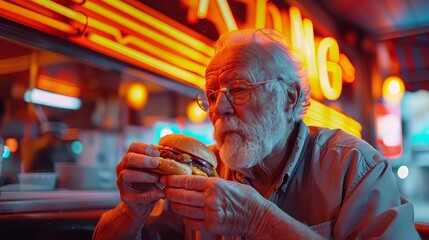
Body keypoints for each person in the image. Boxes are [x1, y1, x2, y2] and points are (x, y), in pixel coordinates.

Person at [93, 29, 420, 239]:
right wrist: (131, 211)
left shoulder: (353, 165)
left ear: (289, 98)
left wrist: (261, 222)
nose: (220, 108)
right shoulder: (204, 168)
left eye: (238, 88)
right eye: (211, 95)